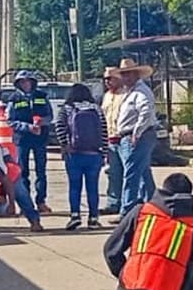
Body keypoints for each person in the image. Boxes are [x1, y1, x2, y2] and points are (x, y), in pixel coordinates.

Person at [107, 58, 158, 215]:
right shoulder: (131, 92)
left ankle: (127, 210)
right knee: (142, 172)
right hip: (128, 135)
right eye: (123, 75)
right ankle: (153, 204)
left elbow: (146, 112)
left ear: (136, 74)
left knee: (131, 173)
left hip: (137, 136)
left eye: (129, 74)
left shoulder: (141, 92)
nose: (126, 78)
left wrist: (137, 132)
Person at [53, 82, 106, 231]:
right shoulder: (96, 108)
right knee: (92, 187)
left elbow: (59, 127)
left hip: (74, 154)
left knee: (74, 186)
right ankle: (93, 218)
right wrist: (104, 152)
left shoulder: (67, 108)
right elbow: (103, 131)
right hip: (94, 153)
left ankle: (75, 215)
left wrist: (65, 145)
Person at [6, 72, 55, 215]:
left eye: (28, 81)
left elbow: (50, 115)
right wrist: (27, 127)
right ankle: (25, 203)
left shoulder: (42, 96)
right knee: (22, 172)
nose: (26, 84)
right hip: (22, 139)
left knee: (41, 171)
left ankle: (41, 202)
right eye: (22, 82)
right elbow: (10, 120)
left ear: (33, 82)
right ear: (18, 83)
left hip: (40, 139)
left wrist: (41, 122)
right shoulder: (13, 99)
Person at [100, 66, 127, 217]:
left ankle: (130, 203)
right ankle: (113, 203)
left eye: (111, 78)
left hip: (124, 138)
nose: (107, 82)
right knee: (112, 172)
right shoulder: (106, 96)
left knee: (129, 173)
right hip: (110, 139)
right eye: (106, 79)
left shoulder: (126, 94)